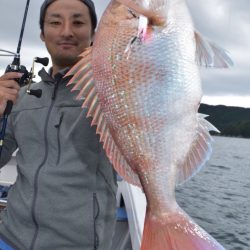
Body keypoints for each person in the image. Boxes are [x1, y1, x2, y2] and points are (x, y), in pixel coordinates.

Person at [0, 0, 117, 249]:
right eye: (55, 22)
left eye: (78, 22)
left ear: (94, 33)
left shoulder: (113, 94)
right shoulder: (21, 96)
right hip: (10, 236)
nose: (66, 31)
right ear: (42, 33)